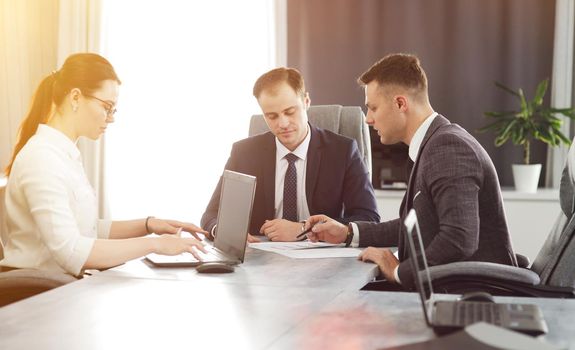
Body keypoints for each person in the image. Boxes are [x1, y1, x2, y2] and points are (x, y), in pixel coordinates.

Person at [305, 53, 517, 286]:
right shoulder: (432, 145)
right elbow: (418, 224)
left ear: (400, 103)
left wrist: (398, 271)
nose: (368, 119)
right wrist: (348, 232)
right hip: (449, 284)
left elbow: (459, 239)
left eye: (373, 108)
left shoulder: (448, 148)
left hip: (469, 293)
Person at [1, 53, 207, 277]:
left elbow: (87, 229)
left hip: (59, 285)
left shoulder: (63, 154)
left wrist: (149, 225)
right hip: (37, 293)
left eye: (113, 109)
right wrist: (155, 245)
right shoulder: (42, 158)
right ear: (76, 98)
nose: (111, 118)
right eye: (107, 107)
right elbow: (71, 250)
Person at [201, 67, 380, 242]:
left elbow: (368, 218)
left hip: (323, 261)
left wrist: (304, 229)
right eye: (272, 116)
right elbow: (212, 215)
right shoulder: (244, 153)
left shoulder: (342, 151)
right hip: (259, 260)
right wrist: (227, 233)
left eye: (289, 112)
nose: (283, 123)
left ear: (306, 101)